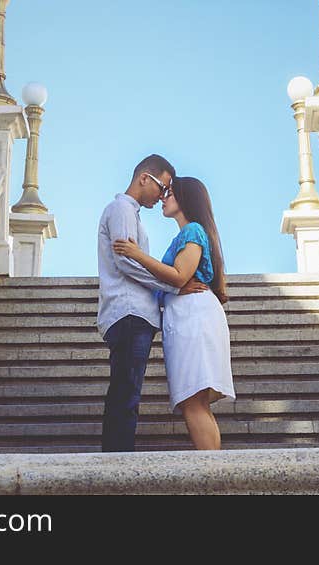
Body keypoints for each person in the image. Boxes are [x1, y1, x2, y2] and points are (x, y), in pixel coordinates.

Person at [113, 176, 234, 450]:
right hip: (188, 315)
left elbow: (179, 277)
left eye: (170, 193)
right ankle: (214, 474)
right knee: (195, 402)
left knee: (193, 401)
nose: (163, 197)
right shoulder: (189, 233)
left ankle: (211, 478)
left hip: (193, 316)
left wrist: (135, 253)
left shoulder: (192, 231)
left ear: (185, 199)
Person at [97, 155, 208, 452]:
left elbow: (134, 260)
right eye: (163, 187)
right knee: (126, 393)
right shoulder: (121, 208)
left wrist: (169, 286)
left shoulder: (131, 214)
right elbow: (125, 262)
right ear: (144, 178)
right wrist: (172, 286)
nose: (163, 195)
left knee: (127, 390)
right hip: (129, 312)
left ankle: (117, 458)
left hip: (137, 314)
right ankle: (117, 462)